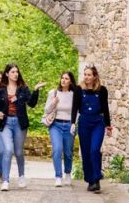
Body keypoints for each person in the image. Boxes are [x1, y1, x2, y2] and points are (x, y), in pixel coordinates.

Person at [0, 63, 46, 191]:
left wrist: (36, 90)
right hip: (5, 123)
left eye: (17, 71)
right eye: (12, 72)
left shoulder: (23, 88)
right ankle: (5, 180)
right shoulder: (1, 89)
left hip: (19, 123)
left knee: (18, 152)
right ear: (7, 74)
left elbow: (32, 104)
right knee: (8, 150)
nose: (15, 74)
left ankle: (21, 176)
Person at [71, 65, 112, 193]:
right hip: (84, 123)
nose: (86, 77)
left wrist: (108, 125)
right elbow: (75, 107)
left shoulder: (102, 90)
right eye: (85, 74)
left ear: (95, 76)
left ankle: (97, 179)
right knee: (86, 152)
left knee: (94, 150)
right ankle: (90, 180)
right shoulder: (79, 89)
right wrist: (72, 123)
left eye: (89, 75)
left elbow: (105, 108)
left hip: (97, 123)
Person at [45, 71, 78, 187]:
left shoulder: (74, 94)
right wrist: (53, 103)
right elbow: (47, 111)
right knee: (57, 150)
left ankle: (67, 173)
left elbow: (78, 111)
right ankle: (58, 176)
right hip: (55, 125)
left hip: (69, 125)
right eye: (62, 78)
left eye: (66, 79)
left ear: (70, 81)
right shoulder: (53, 93)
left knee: (68, 152)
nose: (63, 80)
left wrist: (74, 123)